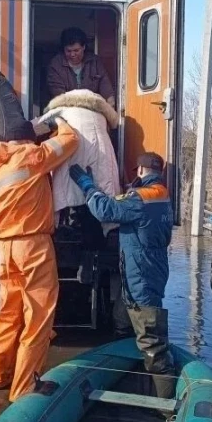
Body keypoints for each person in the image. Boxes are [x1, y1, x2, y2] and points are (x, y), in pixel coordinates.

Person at [0, 116, 79, 410]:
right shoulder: (33, 155)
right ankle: (24, 387)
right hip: (32, 244)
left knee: (8, 313)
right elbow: (70, 139)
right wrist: (57, 119)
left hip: (5, 248)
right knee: (37, 316)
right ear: (27, 139)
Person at [69, 152, 175, 398]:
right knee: (122, 320)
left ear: (140, 170)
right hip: (148, 269)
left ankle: (167, 404)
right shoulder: (161, 194)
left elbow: (105, 210)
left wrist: (88, 185)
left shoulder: (140, 198)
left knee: (152, 342)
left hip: (141, 275)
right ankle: (132, 375)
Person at [47, 27, 116, 108]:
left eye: (76, 50)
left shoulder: (95, 62)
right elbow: (60, 97)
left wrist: (110, 105)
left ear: (84, 47)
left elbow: (107, 91)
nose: (72, 54)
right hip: (65, 110)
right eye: (68, 51)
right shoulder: (55, 65)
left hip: (93, 110)